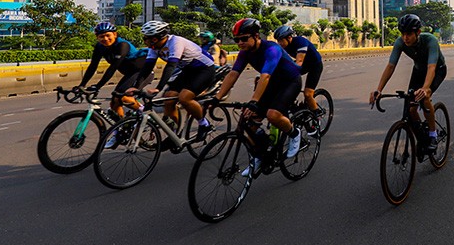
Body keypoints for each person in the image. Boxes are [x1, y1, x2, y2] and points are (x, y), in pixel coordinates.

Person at [215, 18, 304, 174]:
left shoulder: (272, 49)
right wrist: (217, 98)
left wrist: (254, 101)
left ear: (256, 36)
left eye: (244, 38)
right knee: (248, 122)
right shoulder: (245, 53)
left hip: (289, 81)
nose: (240, 43)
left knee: (273, 115)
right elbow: (233, 74)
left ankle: (294, 133)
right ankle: (260, 155)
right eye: (237, 40)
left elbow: (265, 76)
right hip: (272, 83)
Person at [369, 14, 446, 153]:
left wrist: (425, 88)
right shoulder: (400, 42)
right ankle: (422, 138)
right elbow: (391, 66)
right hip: (418, 71)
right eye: (403, 34)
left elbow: (431, 68)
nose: (405, 38)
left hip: (437, 70)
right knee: (411, 109)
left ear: (418, 32)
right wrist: (378, 90)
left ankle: (433, 135)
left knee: (425, 96)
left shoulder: (430, 41)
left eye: (409, 34)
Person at [128, 20, 216, 142]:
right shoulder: (154, 47)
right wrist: (136, 87)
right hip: (187, 70)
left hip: (204, 70)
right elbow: (147, 67)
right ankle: (173, 135)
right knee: (169, 98)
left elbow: (170, 66)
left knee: (184, 98)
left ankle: (204, 124)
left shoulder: (176, 42)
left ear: (155, 38)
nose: (144, 40)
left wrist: (158, 88)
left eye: (146, 38)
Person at [76, 22, 151, 131]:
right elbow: (93, 66)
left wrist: (98, 86)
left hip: (142, 73)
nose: (105, 39)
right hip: (130, 74)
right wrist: (82, 85)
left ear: (115, 35)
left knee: (123, 97)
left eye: (108, 35)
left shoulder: (122, 45)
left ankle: (146, 115)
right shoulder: (99, 47)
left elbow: (113, 68)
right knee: (114, 103)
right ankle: (121, 129)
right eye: (101, 36)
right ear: (97, 37)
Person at [272, 25, 324, 120]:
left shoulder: (301, 42)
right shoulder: (283, 46)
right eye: (277, 41)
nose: (279, 43)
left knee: (308, 94)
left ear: (289, 38)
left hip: (315, 65)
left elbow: (299, 62)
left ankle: (317, 114)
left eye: (281, 40)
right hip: (304, 65)